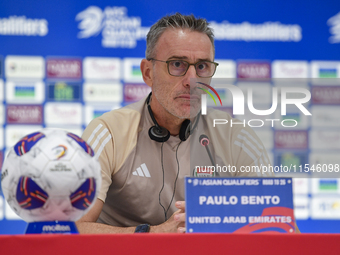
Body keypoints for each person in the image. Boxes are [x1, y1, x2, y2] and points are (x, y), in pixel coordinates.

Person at [76, 13, 273, 234]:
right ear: (148, 73)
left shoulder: (237, 138)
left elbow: (276, 227)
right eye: (177, 64)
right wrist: (152, 235)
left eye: (202, 66)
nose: (192, 81)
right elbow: (72, 229)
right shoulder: (108, 133)